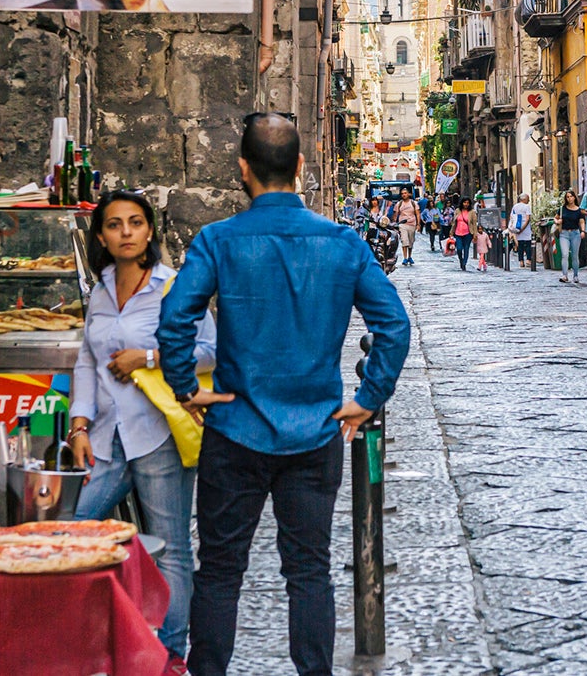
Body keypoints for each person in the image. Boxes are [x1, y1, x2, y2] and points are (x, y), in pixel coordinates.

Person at [156, 113, 410, 676]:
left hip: (234, 431)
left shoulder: (218, 242)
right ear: (299, 166)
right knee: (309, 572)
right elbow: (393, 323)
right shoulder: (342, 243)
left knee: (219, 571)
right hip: (315, 432)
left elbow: (175, 321)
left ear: (242, 170)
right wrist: (369, 396)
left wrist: (184, 389)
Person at [68, 190, 212, 666]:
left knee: (170, 548)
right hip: (106, 439)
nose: (126, 232)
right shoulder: (100, 291)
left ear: (150, 231)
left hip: (158, 436)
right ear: (102, 236)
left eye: (135, 222)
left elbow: (211, 351)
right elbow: (87, 360)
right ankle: (95, 639)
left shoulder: (174, 288)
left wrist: (148, 357)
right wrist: (79, 424)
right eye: (114, 224)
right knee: (73, 531)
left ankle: (170, 654)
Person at [557, 190, 584, 284]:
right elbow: (556, 218)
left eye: (571, 196)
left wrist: (583, 231)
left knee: (574, 256)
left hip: (575, 234)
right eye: (567, 197)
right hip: (564, 233)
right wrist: (557, 222)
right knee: (564, 254)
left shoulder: (579, 210)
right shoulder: (562, 209)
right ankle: (564, 275)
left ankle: (575, 275)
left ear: (574, 197)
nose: (569, 199)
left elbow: (581, 221)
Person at [394, 186, 420, 266]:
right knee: (404, 241)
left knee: (410, 242)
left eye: (405, 193)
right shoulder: (399, 204)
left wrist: (418, 224)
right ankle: (405, 258)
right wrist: (394, 224)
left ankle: (409, 256)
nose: (404, 195)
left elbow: (417, 214)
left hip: (412, 224)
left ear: (409, 194)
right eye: (402, 194)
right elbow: (395, 214)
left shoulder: (414, 203)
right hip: (402, 224)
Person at [451, 197, 476, 271]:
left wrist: (475, 234)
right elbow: (454, 222)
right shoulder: (457, 211)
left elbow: (474, 224)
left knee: (466, 248)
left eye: (467, 203)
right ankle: (461, 260)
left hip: (468, 233)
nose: (466, 204)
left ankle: (464, 263)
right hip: (458, 233)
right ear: (462, 203)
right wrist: (451, 233)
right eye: (464, 202)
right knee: (459, 248)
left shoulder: (472, 212)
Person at [509, 193, 533, 265]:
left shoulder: (515, 206)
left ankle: (521, 261)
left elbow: (511, 217)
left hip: (517, 227)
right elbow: (527, 218)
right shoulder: (526, 207)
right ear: (524, 199)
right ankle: (528, 260)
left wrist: (514, 227)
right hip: (525, 228)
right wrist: (523, 228)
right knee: (528, 244)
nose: (529, 201)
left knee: (520, 245)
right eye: (528, 199)